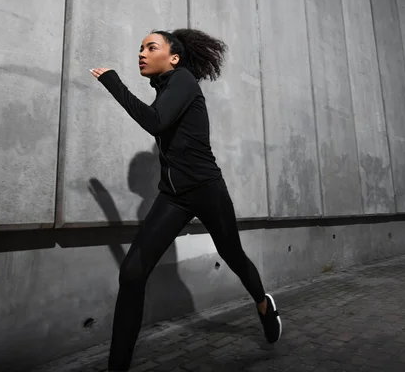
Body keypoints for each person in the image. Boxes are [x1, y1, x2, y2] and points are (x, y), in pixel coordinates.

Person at [90, 28, 282, 371]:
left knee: (232, 253)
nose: (142, 53)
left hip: (207, 189)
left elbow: (156, 122)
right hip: (174, 197)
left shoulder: (183, 80)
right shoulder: (166, 87)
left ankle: (263, 303)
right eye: (140, 48)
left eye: (151, 47)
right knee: (132, 274)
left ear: (174, 57)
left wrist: (114, 82)